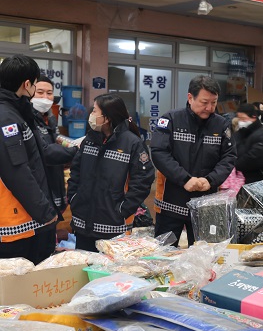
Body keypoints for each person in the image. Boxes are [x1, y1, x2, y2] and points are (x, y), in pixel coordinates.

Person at [151, 76, 236, 247]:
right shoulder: (171, 120)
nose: (209, 108)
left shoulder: (221, 125)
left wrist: (210, 180)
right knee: (163, 254)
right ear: (190, 98)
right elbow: (159, 153)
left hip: (206, 206)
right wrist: (184, 179)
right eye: (204, 102)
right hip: (171, 204)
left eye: (213, 103)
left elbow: (229, 157)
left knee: (204, 255)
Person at [67, 94, 155, 252]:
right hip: (83, 224)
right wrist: (73, 197)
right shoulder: (89, 140)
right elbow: (76, 171)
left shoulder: (132, 143)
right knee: (83, 264)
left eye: (94, 111)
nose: (91, 115)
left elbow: (143, 180)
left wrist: (123, 210)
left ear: (106, 118)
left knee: (107, 266)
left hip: (112, 226)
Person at [0, 55, 59, 263]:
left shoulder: (16, 111)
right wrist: (45, 212)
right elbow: (16, 171)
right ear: (27, 85)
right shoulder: (7, 117)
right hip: (17, 221)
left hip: (24, 215)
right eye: (35, 85)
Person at [32, 75, 78, 258]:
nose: (45, 97)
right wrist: (75, 151)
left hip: (55, 178)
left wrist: (73, 145)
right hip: (39, 184)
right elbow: (46, 151)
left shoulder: (49, 118)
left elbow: (56, 139)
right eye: (40, 92)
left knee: (51, 230)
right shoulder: (27, 119)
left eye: (49, 93)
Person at [233, 103, 263, 184]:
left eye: (243, 118)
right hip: (242, 180)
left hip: (259, 181)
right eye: (239, 118)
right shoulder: (241, 132)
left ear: (253, 117)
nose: (241, 121)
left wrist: (235, 164)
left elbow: (255, 158)